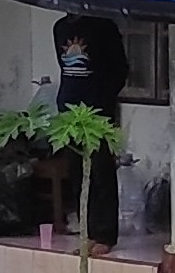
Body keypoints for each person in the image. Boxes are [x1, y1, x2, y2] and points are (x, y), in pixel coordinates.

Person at [52, 13, 129, 256]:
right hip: (69, 112)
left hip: (97, 111)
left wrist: (103, 100)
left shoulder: (103, 26)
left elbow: (120, 69)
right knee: (77, 172)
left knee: (100, 170)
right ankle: (86, 231)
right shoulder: (59, 28)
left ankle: (105, 234)